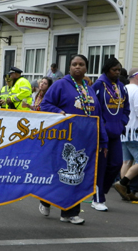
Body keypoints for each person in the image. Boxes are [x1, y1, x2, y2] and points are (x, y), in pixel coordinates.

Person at [39, 54, 106, 225]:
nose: (77, 67)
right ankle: (45, 200)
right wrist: (58, 112)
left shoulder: (89, 89)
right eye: (74, 64)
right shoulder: (61, 85)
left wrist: (103, 141)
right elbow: (45, 104)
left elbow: (97, 116)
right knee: (58, 174)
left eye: (81, 64)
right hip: (63, 139)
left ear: (86, 68)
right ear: (69, 67)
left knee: (78, 176)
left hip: (85, 141)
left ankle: (69, 213)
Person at [91, 60, 130, 210]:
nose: (117, 72)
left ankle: (100, 191)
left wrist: (122, 123)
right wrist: (102, 127)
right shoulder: (98, 86)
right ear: (107, 70)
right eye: (114, 70)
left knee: (116, 164)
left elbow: (126, 108)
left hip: (116, 132)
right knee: (101, 167)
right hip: (102, 134)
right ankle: (98, 199)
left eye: (119, 70)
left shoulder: (121, 87)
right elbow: (94, 109)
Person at [114, 67, 138, 203]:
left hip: (123, 130)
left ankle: (126, 191)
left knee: (126, 161)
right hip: (134, 132)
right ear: (137, 76)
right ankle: (123, 183)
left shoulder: (124, 88)